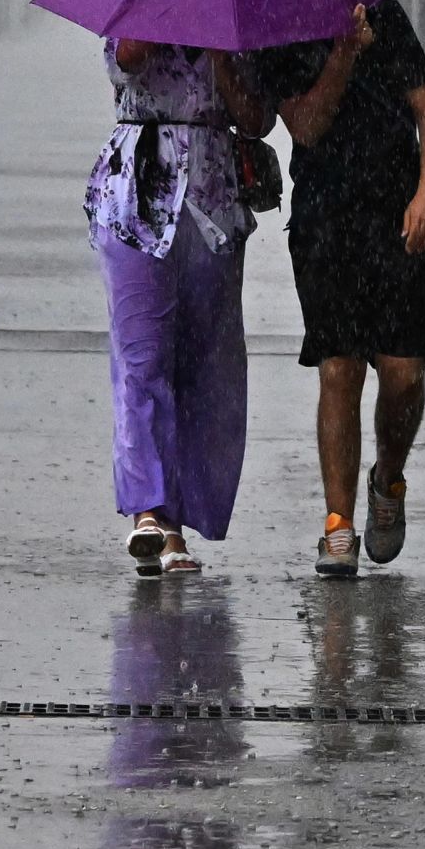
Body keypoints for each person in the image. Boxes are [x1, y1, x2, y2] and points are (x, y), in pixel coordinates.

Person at [249, 0, 425, 578]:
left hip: (398, 216)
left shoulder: (384, 16)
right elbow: (307, 128)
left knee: (404, 371)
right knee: (339, 368)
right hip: (325, 220)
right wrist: (340, 54)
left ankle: (389, 477)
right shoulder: (283, 33)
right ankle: (338, 525)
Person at [86, 38, 275, 577]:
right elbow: (123, 62)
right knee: (143, 358)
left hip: (212, 204)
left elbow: (257, 118)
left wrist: (221, 56)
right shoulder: (143, 1)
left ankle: (176, 527)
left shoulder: (234, 28)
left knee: (202, 366)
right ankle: (149, 512)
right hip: (137, 195)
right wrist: (167, 22)